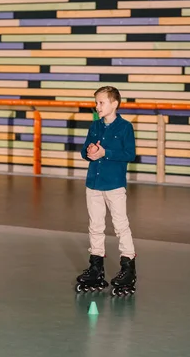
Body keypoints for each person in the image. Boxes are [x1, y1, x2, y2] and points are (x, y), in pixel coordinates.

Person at [75, 86, 137, 296]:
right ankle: (96, 267)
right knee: (95, 226)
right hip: (93, 184)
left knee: (120, 225)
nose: (97, 106)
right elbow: (84, 150)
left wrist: (105, 152)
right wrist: (90, 151)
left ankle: (128, 268)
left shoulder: (125, 127)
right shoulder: (94, 126)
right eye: (96, 102)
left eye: (101, 102)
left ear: (114, 104)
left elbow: (130, 154)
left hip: (114, 185)